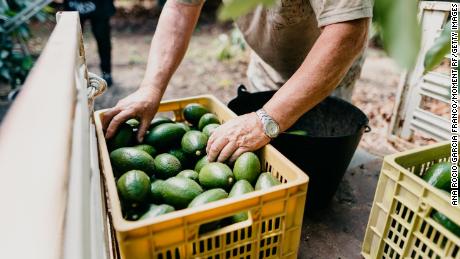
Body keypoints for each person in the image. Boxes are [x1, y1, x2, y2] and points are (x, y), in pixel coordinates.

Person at [103, 0, 372, 162]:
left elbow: (347, 32)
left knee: (315, 163)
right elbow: (180, 8)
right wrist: (151, 87)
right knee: (264, 158)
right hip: (268, 63)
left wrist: (266, 119)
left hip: (328, 67)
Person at [64, 0, 115, 86]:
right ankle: (71, 74)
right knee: (72, 40)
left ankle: (107, 73)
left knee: (103, 38)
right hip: (74, 4)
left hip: (100, 4)